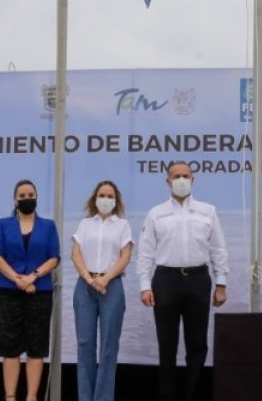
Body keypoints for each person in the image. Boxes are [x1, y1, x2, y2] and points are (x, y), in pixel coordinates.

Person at [137, 161, 229, 401]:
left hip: (198, 280)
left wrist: (221, 283)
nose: (181, 180)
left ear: (193, 179)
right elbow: (145, 252)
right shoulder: (156, 213)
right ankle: (167, 396)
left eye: (185, 176)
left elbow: (218, 249)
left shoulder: (207, 211)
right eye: (176, 176)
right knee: (167, 345)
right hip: (166, 280)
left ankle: (192, 395)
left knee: (197, 344)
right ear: (168, 181)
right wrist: (145, 286)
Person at [0, 180, 60, 401]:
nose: (26, 198)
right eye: (22, 195)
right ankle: (10, 396)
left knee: (36, 346)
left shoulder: (48, 226)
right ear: (15, 199)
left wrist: (33, 276)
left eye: (30, 194)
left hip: (40, 291)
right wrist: (17, 279)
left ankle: (31, 396)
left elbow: (54, 257)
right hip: (8, 291)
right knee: (10, 347)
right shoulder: (3, 224)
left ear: (37, 197)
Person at [71, 180, 133, 401]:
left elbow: (125, 256)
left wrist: (106, 278)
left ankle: (103, 397)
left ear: (115, 200)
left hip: (112, 286)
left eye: (109, 196)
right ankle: (85, 397)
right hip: (85, 285)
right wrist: (89, 278)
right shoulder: (85, 224)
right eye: (101, 195)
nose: (105, 199)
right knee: (85, 343)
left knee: (108, 345)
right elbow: (75, 253)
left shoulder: (122, 225)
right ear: (94, 198)